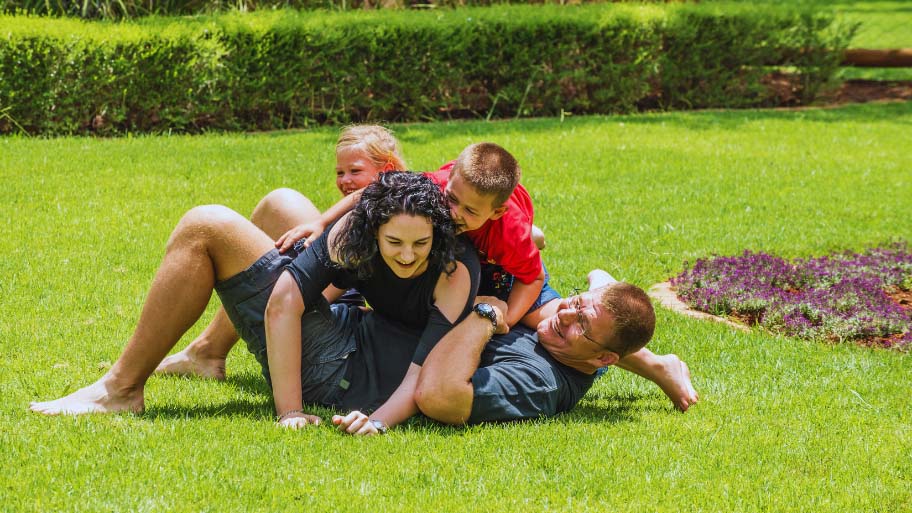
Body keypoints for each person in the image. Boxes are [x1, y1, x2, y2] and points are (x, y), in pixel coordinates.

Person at [31, 173, 479, 437]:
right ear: (373, 229)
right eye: (394, 242)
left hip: (339, 364)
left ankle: (121, 390)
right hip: (351, 324)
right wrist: (289, 411)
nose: (406, 254)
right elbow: (285, 301)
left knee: (206, 225)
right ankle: (208, 353)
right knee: (281, 204)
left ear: (438, 234)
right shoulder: (353, 232)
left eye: (419, 243)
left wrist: (299, 411)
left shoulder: (454, 270)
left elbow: (424, 373)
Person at [282, 142, 698, 412]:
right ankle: (599, 293)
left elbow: (532, 282)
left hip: (505, 273)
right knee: (574, 319)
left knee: (553, 319)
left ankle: (658, 364)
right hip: (471, 253)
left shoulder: (509, 232)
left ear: (496, 211)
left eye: (468, 210)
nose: (453, 213)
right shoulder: (440, 188)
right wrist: (320, 224)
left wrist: (506, 318)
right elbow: (373, 195)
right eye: (452, 202)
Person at [155, 124, 407, 378]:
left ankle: (202, 354)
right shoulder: (363, 208)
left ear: (386, 170)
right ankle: (208, 351)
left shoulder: (392, 215)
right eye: (340, 172)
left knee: (214, 232)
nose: (344, 180)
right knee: (278, 204)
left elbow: (332, 286)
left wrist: (288, 291)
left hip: (332, 311)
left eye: (355, 171)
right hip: (333, 290)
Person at [415, 275, 662, 424]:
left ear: (603, 358)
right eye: (576, 302)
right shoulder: (571, 344)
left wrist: (486, 315)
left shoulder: (540, 381)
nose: (564, 315)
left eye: (582, 324)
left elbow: (441, 397)